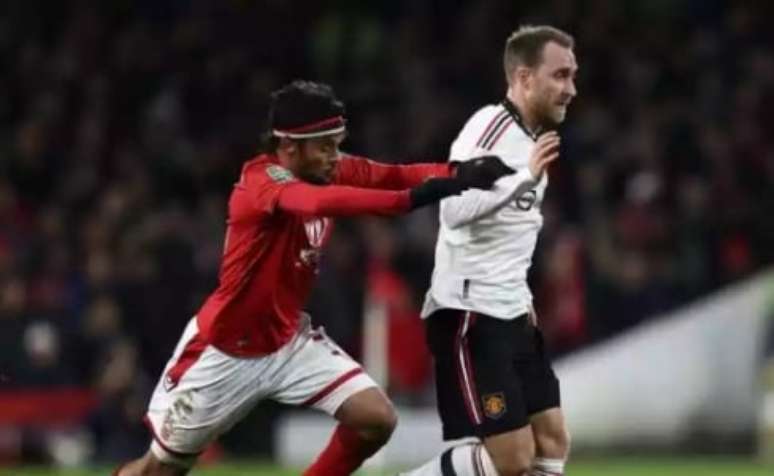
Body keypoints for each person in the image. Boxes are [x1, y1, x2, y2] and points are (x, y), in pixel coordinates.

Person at [113, 80, 513, 476]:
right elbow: (322, 202)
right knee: (159, 471)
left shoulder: (327, 170)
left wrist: (459, 171)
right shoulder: (261, 183)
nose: (334, 156)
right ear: (289, 147)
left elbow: (392, 174)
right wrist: (432, 193)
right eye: (325, 146)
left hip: (287, 341)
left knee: (375, 418)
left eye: (337, 144)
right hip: (225, 352)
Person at [400, 25, 577, 476]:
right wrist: (523, 178)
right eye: (559, 76)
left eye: (572, 76)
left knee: (553, 439)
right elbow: (454, 209)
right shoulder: (488, 128)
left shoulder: (532, 140)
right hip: (470, 313)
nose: (570, 89)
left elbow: (513, 233)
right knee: (512, 458)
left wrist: (524, 301)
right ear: (523, 78)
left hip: (511, 310)